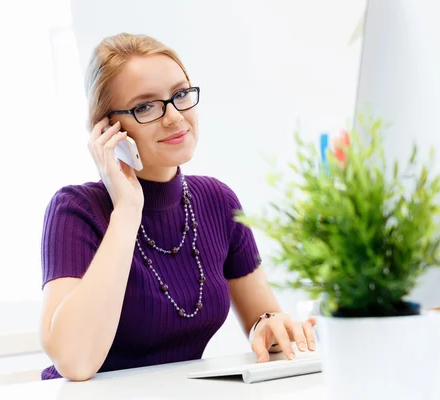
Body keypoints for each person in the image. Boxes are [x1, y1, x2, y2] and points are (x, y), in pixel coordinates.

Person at [38, 32, 316, 381]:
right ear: (108, 129)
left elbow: (267, 325)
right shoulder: (75, 210)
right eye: (146, 106)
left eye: (181, 95)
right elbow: (75, 363)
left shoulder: (217, 200)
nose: (174, 117)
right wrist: (127, 210)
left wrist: (274, 328)